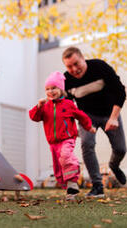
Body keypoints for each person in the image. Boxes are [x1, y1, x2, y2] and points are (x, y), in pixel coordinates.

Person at [62, 46, 127, 198]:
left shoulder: (99, 67)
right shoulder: (67, 80)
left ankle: (114, 165)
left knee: (120, 149)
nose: (74, 69)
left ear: (83, 58)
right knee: (87, 144)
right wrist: (71, 126)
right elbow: (67, 106)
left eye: (76, 63)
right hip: (87, 116)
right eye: (69, 66)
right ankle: (97, 185)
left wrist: (114, 117)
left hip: (109, 113)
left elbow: (120, 91)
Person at [29, 71, 96, 200]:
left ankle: (72, 182)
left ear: (60, 89)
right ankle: (70, 189)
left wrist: (89, 127)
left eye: (54, 88)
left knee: (66, 156)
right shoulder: (45, 106)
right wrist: (38, 106)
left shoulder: (68, 104)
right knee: (58, 169)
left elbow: (81, 116)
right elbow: (34, 117)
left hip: (67, 139)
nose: (50, 91)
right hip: (53, 143)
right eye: (47, 89)